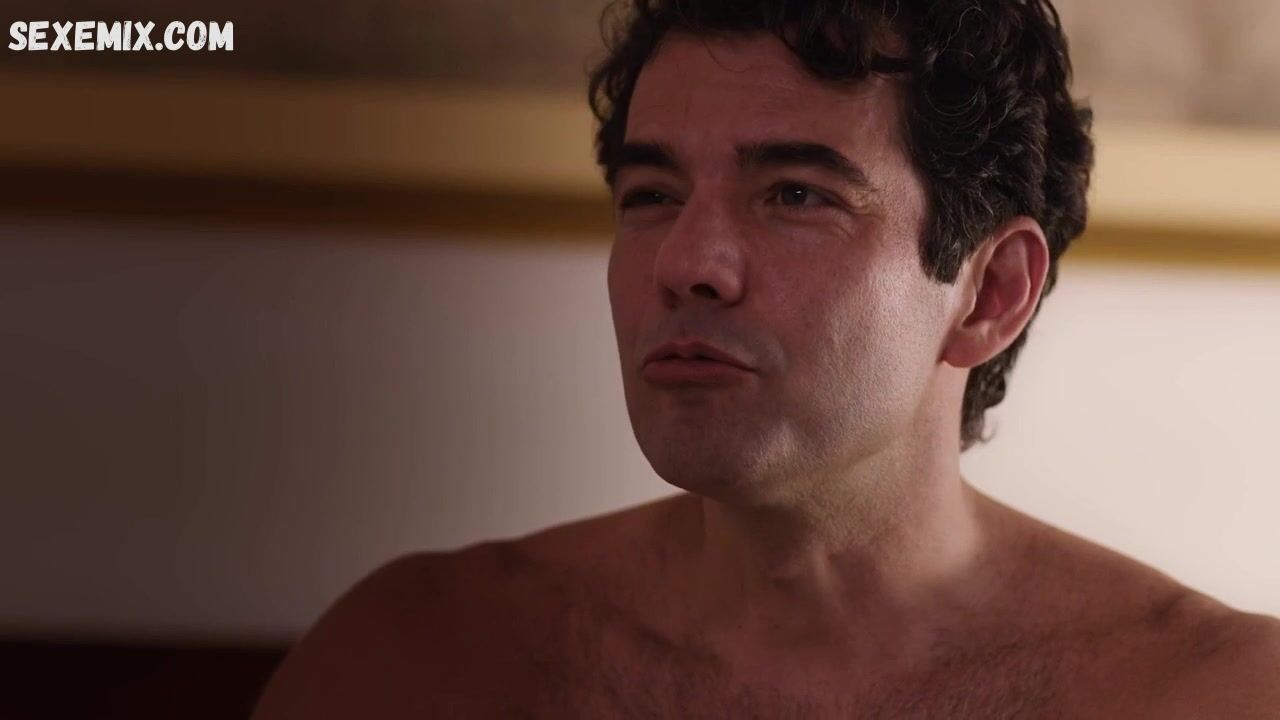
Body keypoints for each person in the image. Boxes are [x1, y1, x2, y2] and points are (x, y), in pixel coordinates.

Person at [253, 1, 1280, 716]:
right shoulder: (413, 662)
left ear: (989, 293)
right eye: (652, 195)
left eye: (795, 195)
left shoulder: (1209, 696)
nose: (685, 263)